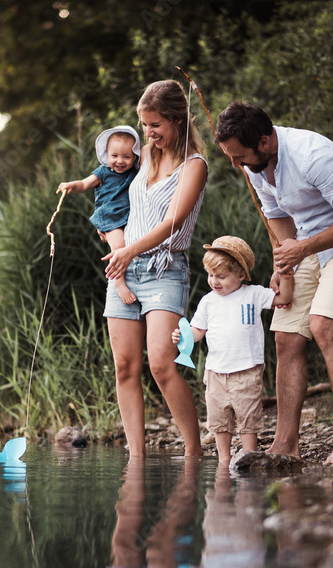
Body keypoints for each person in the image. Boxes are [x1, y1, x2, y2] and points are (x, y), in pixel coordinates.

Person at [214, 102, 333, 465]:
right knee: (286, 336)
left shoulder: (313, 155)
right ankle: (286, 444)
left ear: (265, 141)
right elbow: (276, 216)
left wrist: (302, 248)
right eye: (230, 157)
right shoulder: (254, 166)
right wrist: (284, 263)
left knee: (322, 326)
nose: (236, 164)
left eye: (240, 156)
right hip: (306, 246)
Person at [102, 79, 209, 457]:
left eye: (156, 125)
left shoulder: (195, 165)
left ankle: (194, 453)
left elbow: (173, 224)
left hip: (166, 269)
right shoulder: (142, 154)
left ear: (178, 120)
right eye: (145, 125)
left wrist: (128, 250)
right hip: (125, 270)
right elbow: (109, 201)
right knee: (124, 367)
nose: (148, 133)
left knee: (162, 365)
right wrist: (118, 247)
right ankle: (136, 457)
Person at [171, 236, 293, 466]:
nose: (214, 281)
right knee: (219, 420)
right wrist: (182, 336)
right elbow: (197, 330)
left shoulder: (253, 294)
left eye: (221, 276)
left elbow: (284, 297)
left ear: (240, 275)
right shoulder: (208, 301)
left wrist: (285, 275)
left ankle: (249, 456)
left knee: (248, 418)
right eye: (210, 275)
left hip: (247, 370)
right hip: (216, 372)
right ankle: (224, 461)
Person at [58, 125, 142, 304]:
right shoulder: (103, 172)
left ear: (134, 156)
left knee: (132, 244)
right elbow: (84, 184)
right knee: (119, 246)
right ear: (106, 154)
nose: (120, 161)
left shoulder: (135, 173)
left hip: (129, 217)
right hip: (110, 216)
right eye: (114, 156)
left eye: (126, 156)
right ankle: (119, 283)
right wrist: (71, 186)